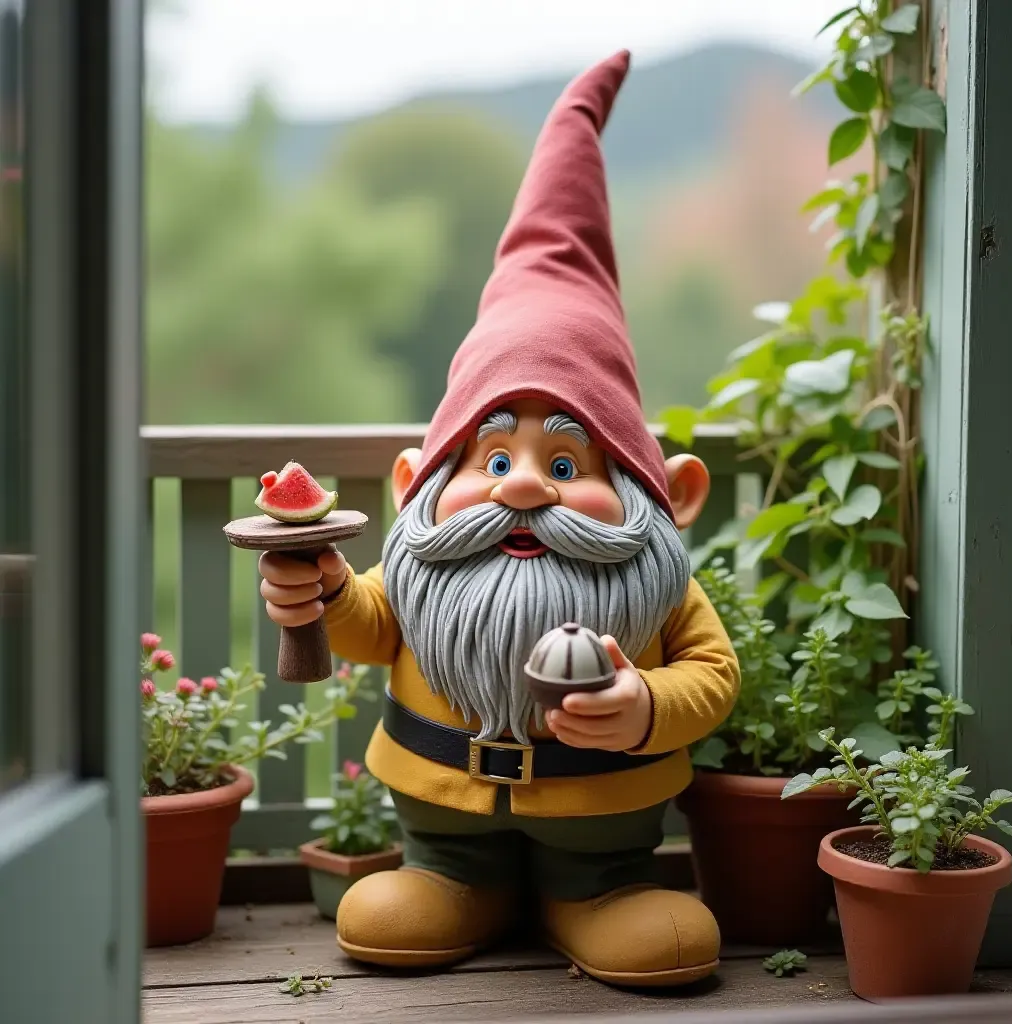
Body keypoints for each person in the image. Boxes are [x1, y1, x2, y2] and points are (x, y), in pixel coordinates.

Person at [258, 49, 740, 989]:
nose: (524, 487)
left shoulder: (656, 583)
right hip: (443, 830)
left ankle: (593, 896)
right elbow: (372, 624)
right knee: (398, 906)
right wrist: (322, 594)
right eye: (494, 459)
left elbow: (714, 676)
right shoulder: (429, 570)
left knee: (650, 923)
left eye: (566, 463)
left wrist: (646, 707)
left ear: (659, 492)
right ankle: (453, 883)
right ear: (419, 482)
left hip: (605, 837)